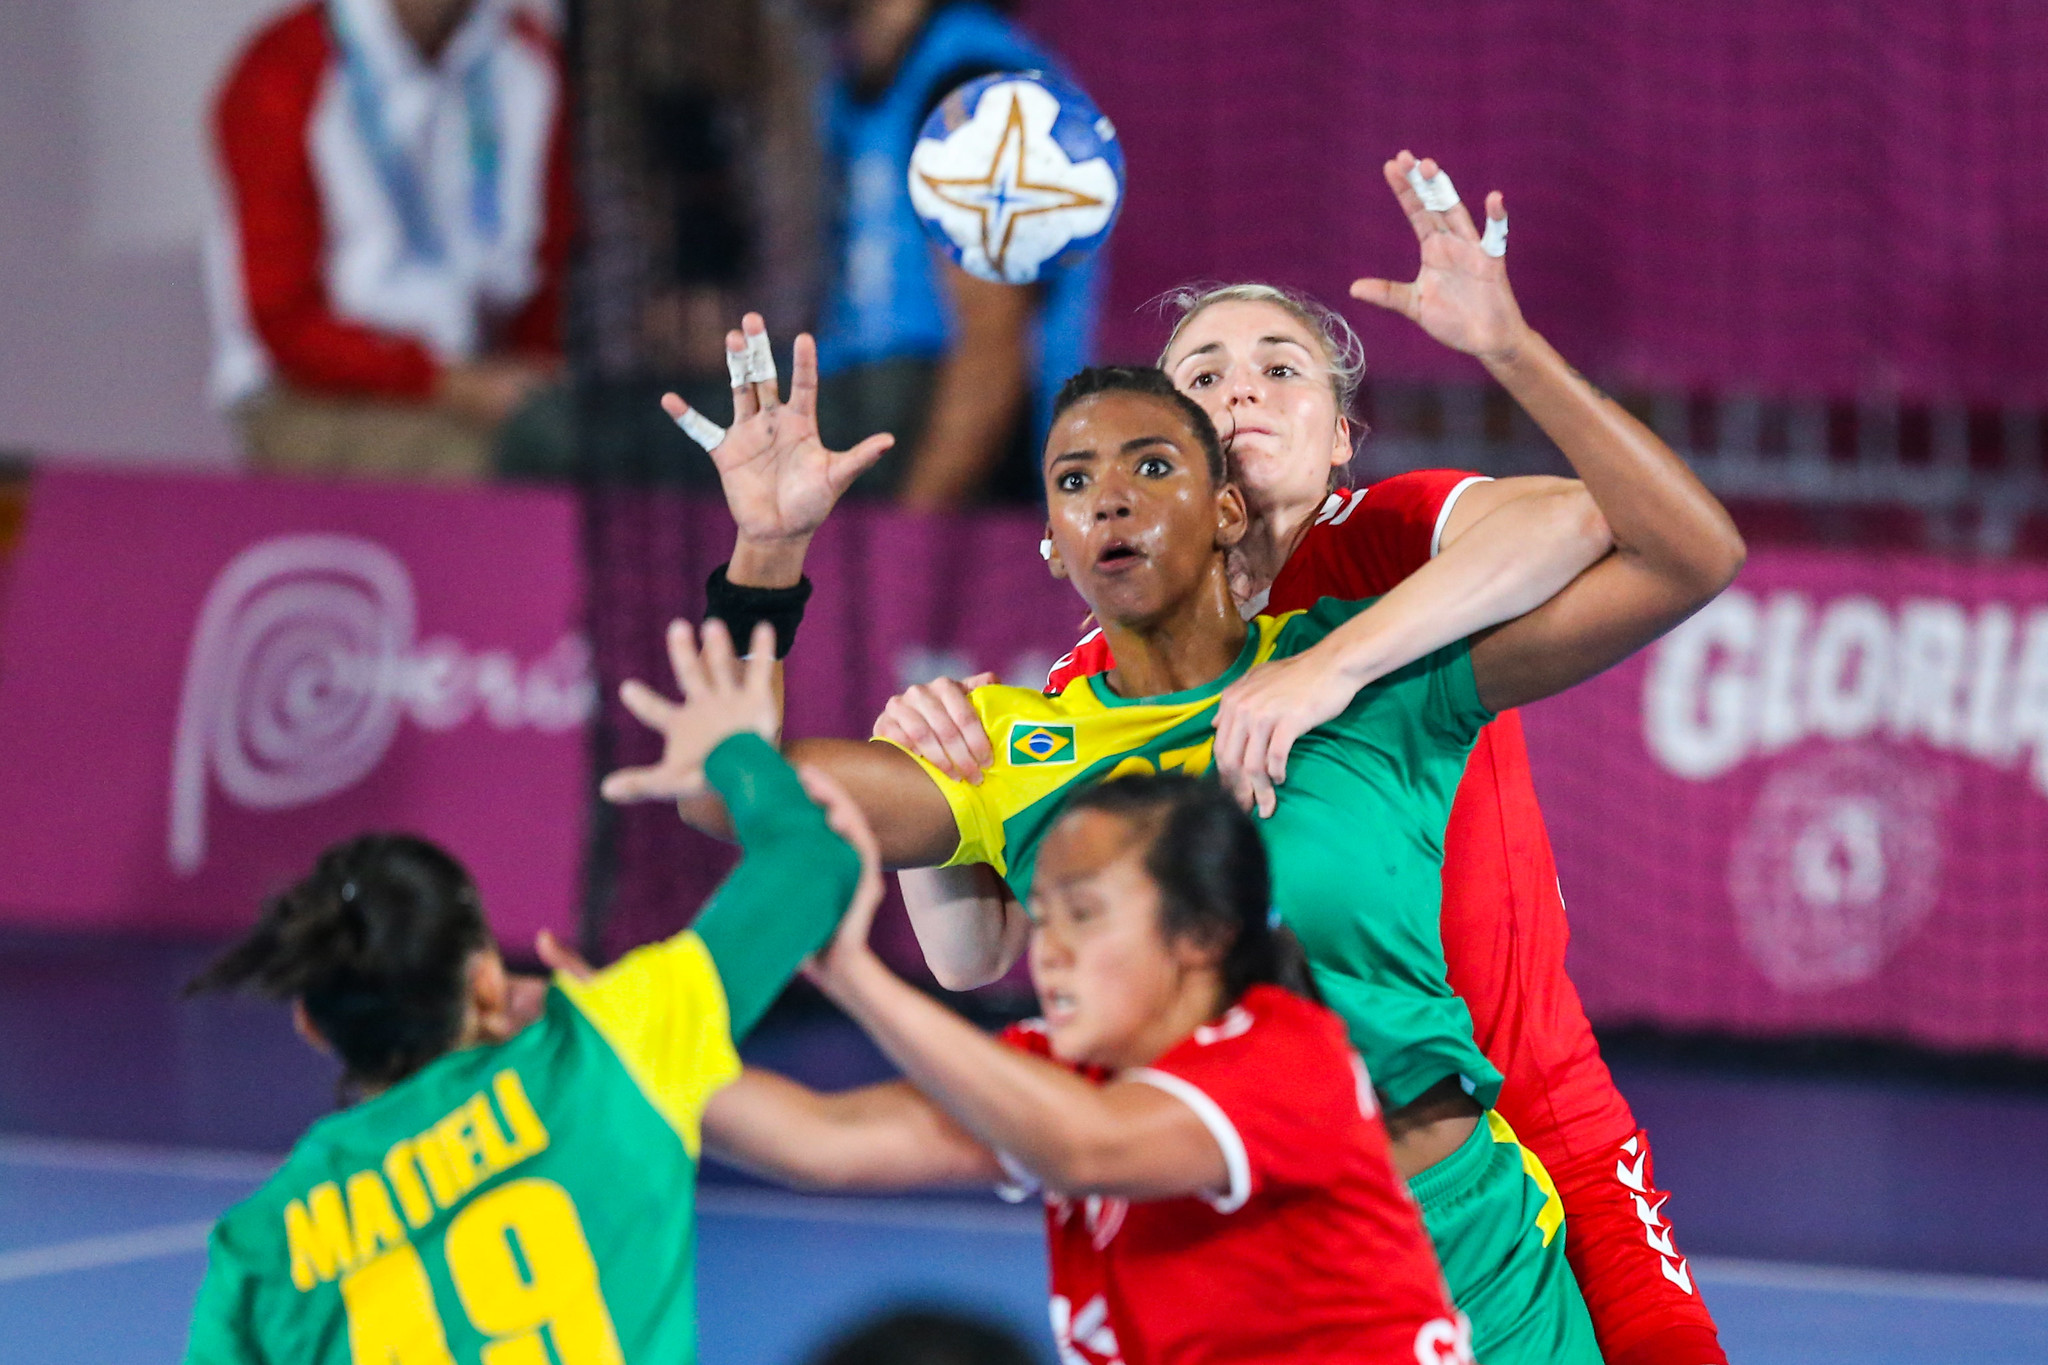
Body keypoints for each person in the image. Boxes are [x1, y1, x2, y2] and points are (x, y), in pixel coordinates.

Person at [647, 240, 1743, 1358]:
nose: (1111, 497)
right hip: (1210, 1264)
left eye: (1152, 465)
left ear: (1227, 503)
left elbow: (1672, 551)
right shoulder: (1026, 741)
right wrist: (767, 552)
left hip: (1474, 1240)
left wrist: (1339, 655)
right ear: (1051, 543)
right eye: (1074, 482)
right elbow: (718, 789)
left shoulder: (1380, 640)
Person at [598, 764, 1476, 1365]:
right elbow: (822, 1138)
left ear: (1204, 932)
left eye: (1085, 915)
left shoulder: (1286, 1055)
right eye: (1043, 916)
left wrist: (857, 975)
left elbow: (1087, 1148)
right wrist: (592, 1036)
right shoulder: (1064, 1075)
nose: (1047, 952)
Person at [179, 619, 863, 1365]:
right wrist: (735, 747)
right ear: (483, 978)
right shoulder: (609, 1049)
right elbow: (812, 858)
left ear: (310, 1022)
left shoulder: (260, 1245)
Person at [206, 0, 573, 480]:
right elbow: (283, 321)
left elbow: (550, 262)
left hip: (484, 369)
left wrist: (534, 377)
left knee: (620, 453)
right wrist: (448, 383)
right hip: (311, 390)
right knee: (493, 469)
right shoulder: (286, 66)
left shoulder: (526, 55)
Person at [813, 0, 1102, 505]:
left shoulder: (975, 89)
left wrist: (904, 550)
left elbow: (993, 356)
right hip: (865, 391)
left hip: (943, 433)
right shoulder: (854, 83)